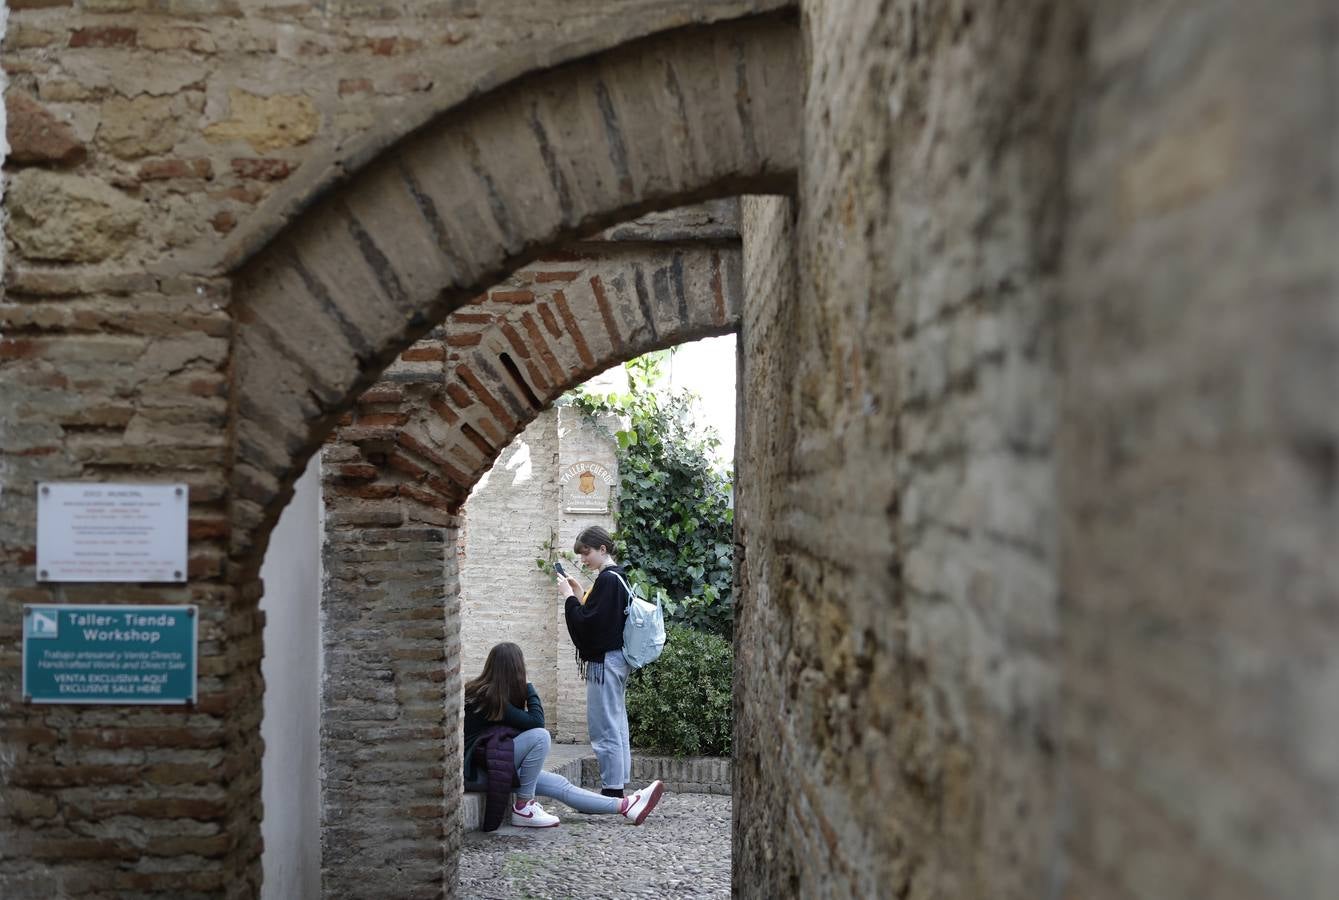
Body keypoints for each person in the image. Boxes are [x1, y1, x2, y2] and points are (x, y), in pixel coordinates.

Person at [462, 641, 663, 828]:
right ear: (516, 670)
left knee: (560, 784)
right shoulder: (489, 698)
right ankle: (524, 807)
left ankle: (626, 806)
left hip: (490, 767)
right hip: (476, 773)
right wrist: (528, 685)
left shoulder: (486, 694)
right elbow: (536, 722)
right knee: (541, 737)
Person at [558, 525, 635, 798]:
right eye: (580, 555)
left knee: (604, 725)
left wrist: (568, 599)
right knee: (616, 721)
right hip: (617, 661)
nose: (583, 559)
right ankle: (618, 782)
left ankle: (612, 790)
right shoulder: (618, 577)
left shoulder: (607, 580)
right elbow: (599, 618)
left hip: (605, 663)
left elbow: (589, 625)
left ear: (603, 549)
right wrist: (579, 595)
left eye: (586, 552)